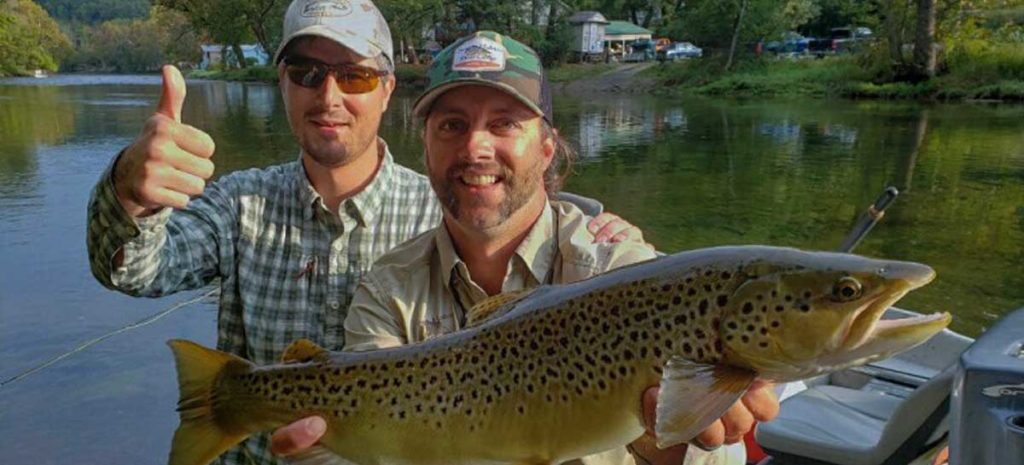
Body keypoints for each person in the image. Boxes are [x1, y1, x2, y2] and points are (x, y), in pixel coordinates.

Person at [86, 1, 638, 463]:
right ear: (282, 83)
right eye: (307, 72)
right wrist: (131, 193)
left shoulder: (446, 205)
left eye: (354, 75)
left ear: (387, 89)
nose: (329, 96)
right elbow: (136, 270)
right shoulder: (238, 203)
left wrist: (597, 230)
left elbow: (513, 209)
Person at [271, 31, 779, 465]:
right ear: (424, 146)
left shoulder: (621, 268)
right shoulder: (388, 289)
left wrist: (670, 440)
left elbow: (719, 455)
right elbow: (381, 431)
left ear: (547, 147)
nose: (475, 147)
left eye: (504, 124)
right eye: (452, 125)